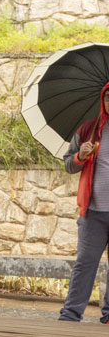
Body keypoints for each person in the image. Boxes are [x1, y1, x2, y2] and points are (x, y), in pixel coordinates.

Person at [60, 81, 109, 323]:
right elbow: (69, 165)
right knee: (85, 264)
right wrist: (81, 155)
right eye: (108, 97)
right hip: (93, 212)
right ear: (103, 100)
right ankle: (70, 315)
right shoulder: (89, 129)